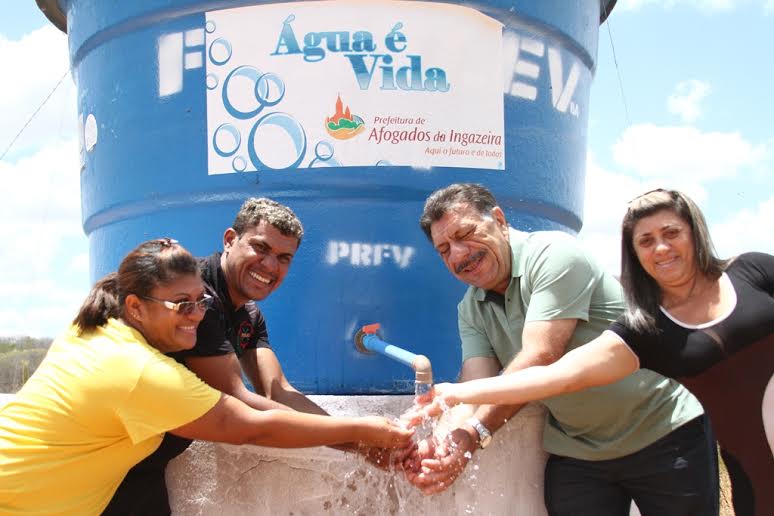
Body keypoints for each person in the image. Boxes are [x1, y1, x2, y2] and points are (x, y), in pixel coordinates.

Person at [414, 188, 774, 515]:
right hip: (579, 451)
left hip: (662, 432)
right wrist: (445, 440)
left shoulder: (555, 254)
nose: (458, 254)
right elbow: (478, 381)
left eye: (465, 234)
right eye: (444, 250)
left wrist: (471, 430)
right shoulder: (470, 307)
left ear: (499, 220)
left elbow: (543, 356)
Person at [0, 238, 413, 515]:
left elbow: (275, 394)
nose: (197, 316)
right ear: (136, 306)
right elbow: (249, 426)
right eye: (182, 305)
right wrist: (365, 432)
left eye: (202, 302)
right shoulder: (139, 371)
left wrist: (359, 441)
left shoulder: (98, 326)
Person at [107, 198, 405, 515]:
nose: (270, 265)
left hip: (144, 467)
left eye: (284, 258)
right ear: (229, 240)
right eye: (260, 248)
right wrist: (358, 437)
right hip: (109, 461)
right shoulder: (197, 302)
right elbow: (239, 405)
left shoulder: (249, 315)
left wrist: (361, 443)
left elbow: (279, 391)